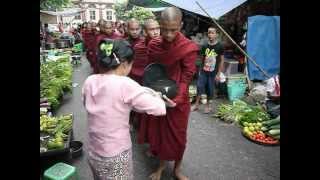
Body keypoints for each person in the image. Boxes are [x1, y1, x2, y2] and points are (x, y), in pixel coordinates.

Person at [82, 39, 168, 180]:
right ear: (124, 64)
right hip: (116, 156)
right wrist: (156, 96)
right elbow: (159, 108)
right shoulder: (125, 84)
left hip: (94, 152)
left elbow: (88, 103)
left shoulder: (89, 81)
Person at [146, 7, 199, 180]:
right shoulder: (154, 45)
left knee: (178, 137)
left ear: (181, 25)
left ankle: (177, 169)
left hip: (178, 99)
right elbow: (152, 71)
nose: (168, 34)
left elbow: (186, 76)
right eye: (165, 29)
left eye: (174, 30)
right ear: (160, 25)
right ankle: (161, 167)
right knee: (161, 134)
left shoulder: (188, 48)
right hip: (158, 95)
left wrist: (176, 98)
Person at [128, 19, 161, 155]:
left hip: (156, 84)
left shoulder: (163, 45)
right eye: (152, 29)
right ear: (145, 31)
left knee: (154, 115)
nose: (156, 32)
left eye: (157, 28)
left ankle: (154, 144)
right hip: (139, 80)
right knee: (142, 111)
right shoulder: (139, 47)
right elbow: (135, 65)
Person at [191, 27, 225, 113]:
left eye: (212, 33)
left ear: (216, 35)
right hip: (204, 71)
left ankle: (208, 106)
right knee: (199, 86)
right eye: (209, 33)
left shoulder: (220, 46)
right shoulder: (205, 45)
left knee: (210, 89)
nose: (210, 35)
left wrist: (218, 74)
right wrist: (199, 70)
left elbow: (221, 60)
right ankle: (196, 105)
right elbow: (202, 59)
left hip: (213, 72)